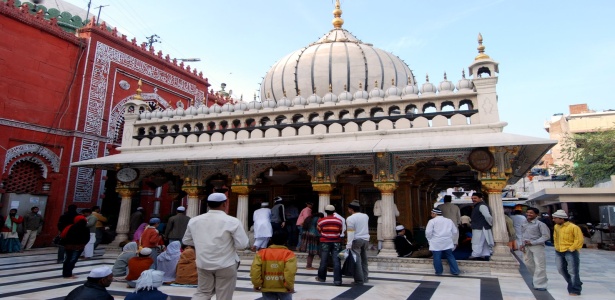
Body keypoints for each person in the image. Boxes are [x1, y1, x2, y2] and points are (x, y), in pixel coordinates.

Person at [182, 192, 249, 300]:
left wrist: (202, 243)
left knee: (203, 293)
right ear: (224, 204)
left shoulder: (194, 220)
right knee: (224, 296)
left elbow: (186, 240)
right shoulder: (232, 221)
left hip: (203, 263)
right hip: (226, 263)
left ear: (208, 204)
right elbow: (242, 244)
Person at [251, 230, 297, 300]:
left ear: (271, 240)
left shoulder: (262, 253)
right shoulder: (289, 254)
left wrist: (256, 284)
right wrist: (290, 286)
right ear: (286, 241)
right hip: (284, 288)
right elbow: (290, 272)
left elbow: (255, 270)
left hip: (267, 286)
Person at [552, 209, 584, 296]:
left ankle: (575, 290)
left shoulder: (573, 227)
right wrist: (556, 246)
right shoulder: (556, 227)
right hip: (559, 250)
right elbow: (555, 237)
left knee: (573, 271)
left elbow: (579, 239)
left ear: (562, 219)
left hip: (570, 251)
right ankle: (576, 282)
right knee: (561, 269)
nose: (553, 220)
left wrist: (572, 248)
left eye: (555, 218)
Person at [520, 207, 550, 291]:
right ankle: (536, 279)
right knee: (528, 264)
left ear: (536, 214)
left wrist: (533, 242)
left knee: (540, 265)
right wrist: (522, 244)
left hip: (537, 246)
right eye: (528, 212)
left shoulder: (540, 224)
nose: (529, 214)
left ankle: (541, 284)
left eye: (531, 213)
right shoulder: (524, 223)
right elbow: (523, 234)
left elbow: (546, 236)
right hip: (526, 246)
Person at [426, 208, 460, 276]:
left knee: (437, 257)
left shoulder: (432, 221)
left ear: (434, 213)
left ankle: (439, 272)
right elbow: (455, 231)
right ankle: (455, 271)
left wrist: (430, 240)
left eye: (431, 213)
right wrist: (451, 239)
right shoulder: (449, 220)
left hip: (436, 242)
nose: (431, 215)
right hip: (447, 241)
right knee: (450, 256)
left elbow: (428, 232)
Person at [315, 205, 343, 286]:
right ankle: (337, 280)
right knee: (337, 261)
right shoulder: (339, 220)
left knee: (324, 260)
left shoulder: (321, 221)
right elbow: (340, 231)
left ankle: (321, 278)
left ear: (326, 211)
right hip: (336, 242)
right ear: (334, 211)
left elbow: (319, 230)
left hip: (325, 242)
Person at [346, 200, 370, 285]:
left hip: (356, 240)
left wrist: (348, 244)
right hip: (366, 240)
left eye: (349, 209)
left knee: (357, 260)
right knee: (364, 259)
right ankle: (365, 277)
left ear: (351, 209)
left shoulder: (350, 218)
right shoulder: (365, 216)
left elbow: (351, 231)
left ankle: (359, 280)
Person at [469, 193, 494, 260]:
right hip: (480, 227)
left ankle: (475, 254)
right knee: (484, 242)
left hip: (480, 227)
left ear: (480, 198)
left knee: (477, 241)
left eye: (475, 198)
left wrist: (490, 223)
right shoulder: (478, 206)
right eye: (472, 198)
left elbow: (487, 216)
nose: (473, 200)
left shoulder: (482, 206)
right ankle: (484, 254)